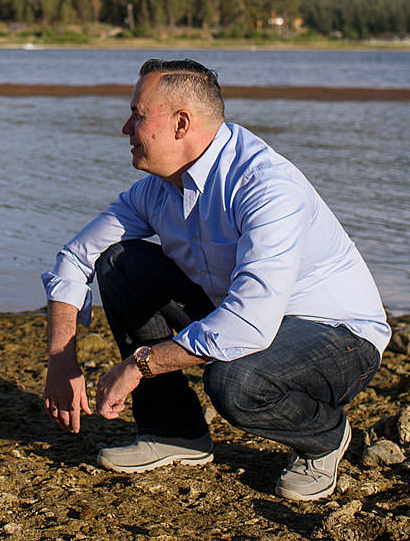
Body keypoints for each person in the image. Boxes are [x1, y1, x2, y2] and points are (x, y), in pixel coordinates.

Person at [42, 58, 390, 502]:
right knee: (120, 263)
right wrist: (60, 358)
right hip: (246, 312)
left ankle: (323, 436)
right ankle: (176, 433)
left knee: (234, 382)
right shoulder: (159, 187)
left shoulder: (266, 186)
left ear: (181, 123)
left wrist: (139, 365)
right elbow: (75, 257)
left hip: (336, 334)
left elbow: (250, 323)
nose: (126, 128)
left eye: (138, 114)